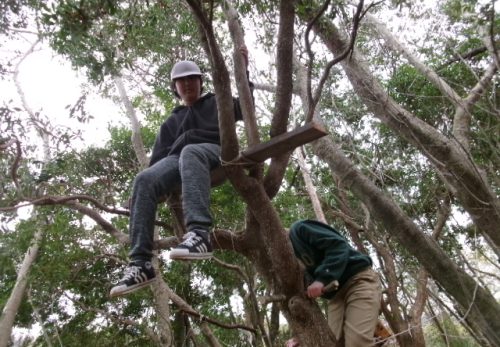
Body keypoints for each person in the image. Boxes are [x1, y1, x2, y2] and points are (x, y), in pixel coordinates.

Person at [110, 47, 252, 298]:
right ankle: (141, 263)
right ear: (175, 87)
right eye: (181, 81)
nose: (187, 84)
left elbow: (244, 106)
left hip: (213, 150)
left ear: (200, 82)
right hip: (177, 159)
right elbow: (157, 162)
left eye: (192, 79)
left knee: (190, 152)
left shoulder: (215, 102)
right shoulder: (171, 122)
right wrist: (144, 190)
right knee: (144, 179)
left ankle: (199, 234)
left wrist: (244, 71)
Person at [288, 219, 382, 347]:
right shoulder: (288, 262)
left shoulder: (299, 229)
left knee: (357, 343)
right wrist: (301, 337)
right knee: (331, 343)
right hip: (335, 297)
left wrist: (322, 278)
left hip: (358, 280)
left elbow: (338, 246)